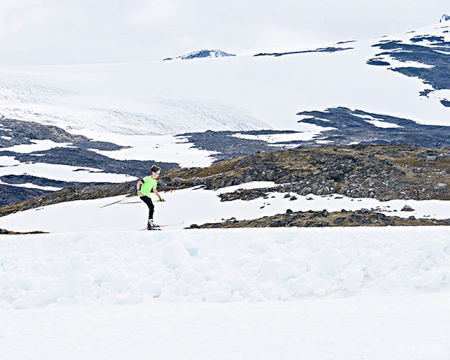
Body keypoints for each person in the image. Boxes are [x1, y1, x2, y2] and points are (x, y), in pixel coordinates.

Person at [137, 165, 165, 229]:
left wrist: (160, 197)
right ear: (153, 173)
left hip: (147, 195)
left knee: (151, 207)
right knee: (151, 207)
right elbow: (138, 183)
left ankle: (150, 223)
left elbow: (155, 190)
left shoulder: (154, 181)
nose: (158, 175)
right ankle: (150, 224)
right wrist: (138, 191)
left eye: (159, 173)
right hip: (143, 195)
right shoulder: (147, 178)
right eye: (157, 173)